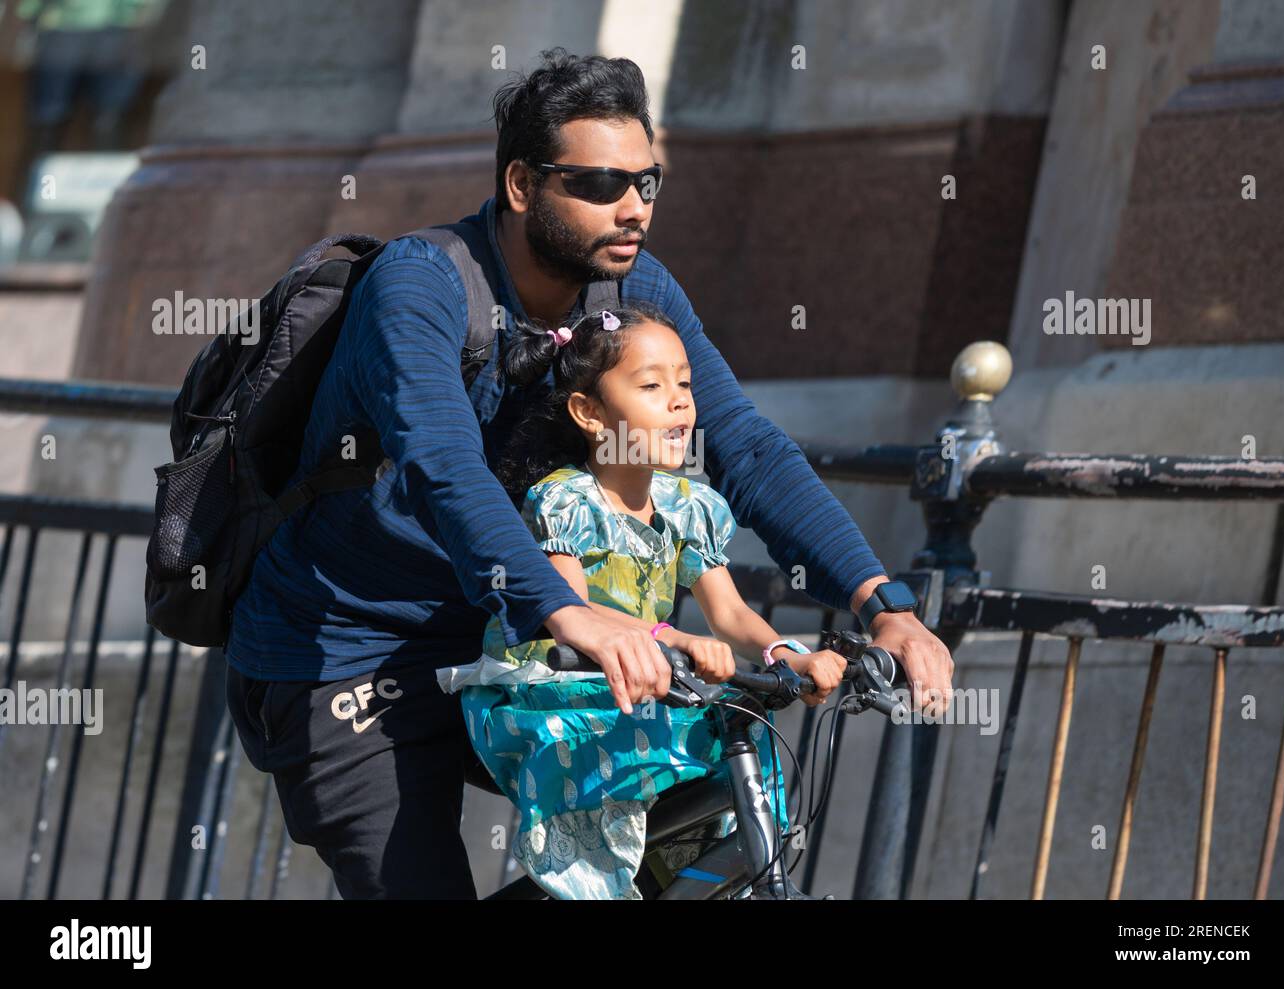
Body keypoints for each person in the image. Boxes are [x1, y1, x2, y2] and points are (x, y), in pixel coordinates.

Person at [224, 47, 954, 900]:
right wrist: (573, 613)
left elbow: (747, 447)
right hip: (349, 651)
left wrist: (880, 603)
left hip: (512, 643)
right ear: (522, 185)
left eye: (647, 183)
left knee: (690, 834)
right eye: (601, 184)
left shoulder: (633, 293)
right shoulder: (419, 287)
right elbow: (444, 467)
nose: (633, 208)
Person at [436, 301, 849, 898]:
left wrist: (788, 653)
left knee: (750, 759)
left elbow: (729, 613)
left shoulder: (689, 506)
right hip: (551, 686)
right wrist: (673, 638)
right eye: (653, 386)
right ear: (590, 413)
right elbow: (566, 609)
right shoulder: (565, 500)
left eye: (684, 383)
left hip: (642, 681)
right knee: (634, 782)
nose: (680, 400)